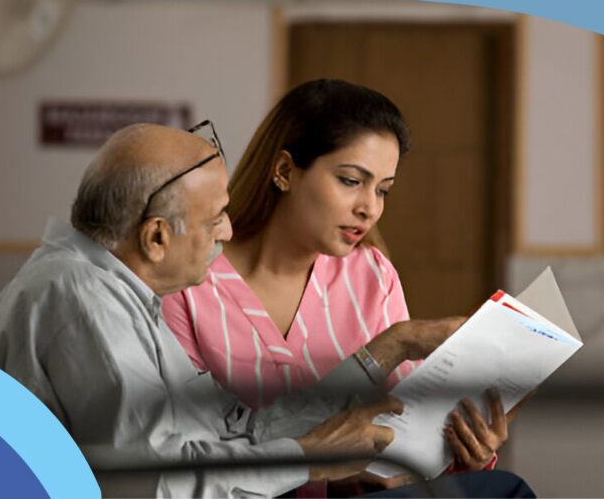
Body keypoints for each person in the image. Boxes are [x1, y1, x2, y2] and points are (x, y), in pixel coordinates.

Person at [0, 122, 466, 497]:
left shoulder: (113, 290)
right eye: (216, 218)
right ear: (157, 236)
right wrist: (307, 461)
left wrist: (390, 348)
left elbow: (234, 425)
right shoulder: (80, 300)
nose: (227, 233)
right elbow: (158, 484)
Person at [162, 80, 509, 486]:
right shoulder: (187, 283)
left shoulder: (373, 277)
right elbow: (183, 453)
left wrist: (464, 452)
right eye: (350, 181)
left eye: (383, 190)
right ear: (285, 171)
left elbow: (404, 431)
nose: (369, 209)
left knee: (499, 487)